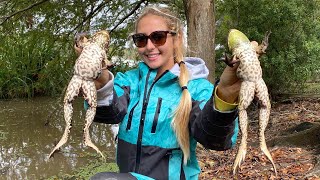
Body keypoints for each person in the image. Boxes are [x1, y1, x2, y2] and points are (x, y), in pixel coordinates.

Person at [77, 5, 241, 180]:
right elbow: (109, 113)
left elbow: (217, 140)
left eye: (158, 37)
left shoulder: (197, 88)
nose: (149, 46)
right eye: (141, 39)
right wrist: (100, 81)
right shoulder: (128, 81)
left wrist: (225, 95)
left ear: (176, 39)